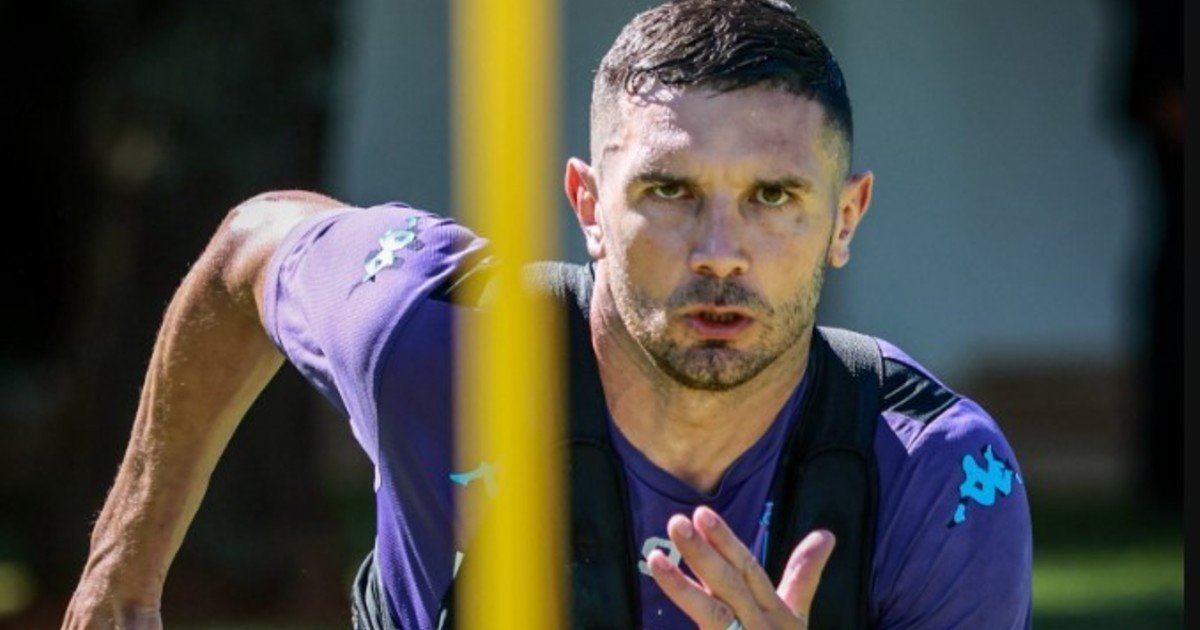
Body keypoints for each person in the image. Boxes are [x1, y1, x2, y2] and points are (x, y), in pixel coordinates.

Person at [64, 0, 1032, 628]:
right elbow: (250, 249)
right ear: (588, 206)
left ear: (845, 217)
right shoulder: (438, 336)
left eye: (773, 196)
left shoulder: (937, 476)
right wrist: (121, 571)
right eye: (669, 190)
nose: (719, 251)